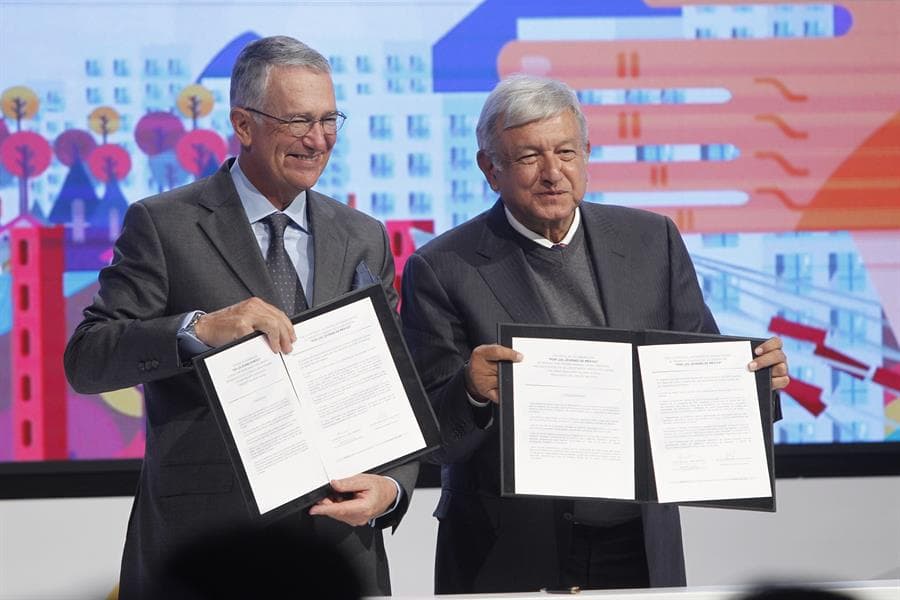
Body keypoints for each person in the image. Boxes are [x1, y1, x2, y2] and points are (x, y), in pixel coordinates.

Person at [400, 74, 789, 594]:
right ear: (489, 169)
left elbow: (695, 379)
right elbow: (429, 440)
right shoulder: (443, 267)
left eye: (566, 151)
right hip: (509, 549)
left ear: (587, 153)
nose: (552, 173)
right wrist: (469, 392)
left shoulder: (653, 240)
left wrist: (756, 386)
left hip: (639, 543)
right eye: (528, 157)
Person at [65, 36, 416, 598]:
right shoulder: (164, 224)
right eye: (299, 120)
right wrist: (197, 330)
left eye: (330, 120)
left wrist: (393, 488)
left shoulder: (363, 236)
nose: (319, 139)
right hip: (205, 550)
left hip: (338, 552)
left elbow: (393, 384)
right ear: (244, 124)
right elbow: (87, 359)